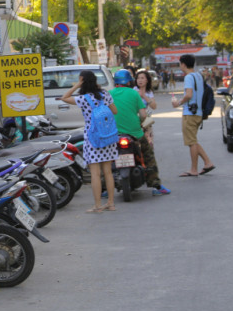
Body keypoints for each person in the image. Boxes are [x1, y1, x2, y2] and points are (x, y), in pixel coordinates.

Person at [62, 70, 118, 213]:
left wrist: (77, 85)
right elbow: (115, 111)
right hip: (107, 136)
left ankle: (98, 205)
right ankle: (111, 204)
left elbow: (64, 97)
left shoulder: (83, 98)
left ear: (82, 80)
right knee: (108, 173)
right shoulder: (105, 94)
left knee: (95, 174)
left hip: (93, 138)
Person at [110, 69, 170, 196]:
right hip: (135, 132)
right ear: (129, 81)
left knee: (108, 158)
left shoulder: (109, 94)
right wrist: (139, 122)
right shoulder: (134, 94)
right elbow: (143, 115)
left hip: (114, 134)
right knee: (148, 155)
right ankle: (156, 184)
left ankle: (105, 188)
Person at [171, 54, 215, 177]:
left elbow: (189, 94)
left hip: (190, 113)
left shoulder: (189, 77)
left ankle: (194, 169)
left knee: (191, 142)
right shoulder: (199, 76)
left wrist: (178, 103)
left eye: (180, 63)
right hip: (198, 113)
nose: (180, 66)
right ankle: (207, 162)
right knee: (193, 141)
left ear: (183, 64)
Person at [134, 69, 157, 146]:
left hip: (145, 120)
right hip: (135, 119)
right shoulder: (134, 90)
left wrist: (144, 95)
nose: (140, 80)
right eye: (138, 78)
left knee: (149, 142)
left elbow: (154, 106)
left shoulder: (149, 92)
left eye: (142, 78)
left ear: (147, 80)